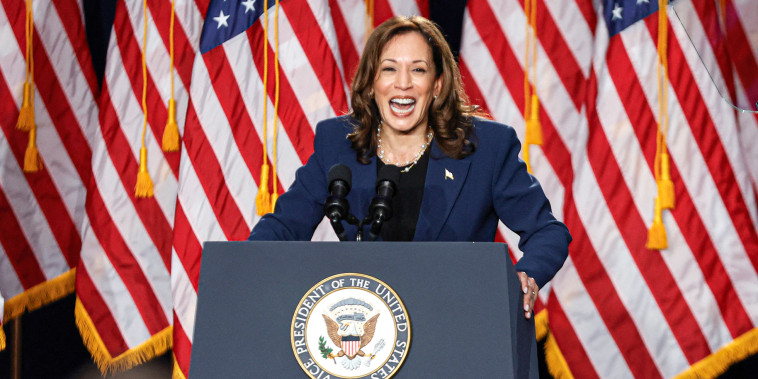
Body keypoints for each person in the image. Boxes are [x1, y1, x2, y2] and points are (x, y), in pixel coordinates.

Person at [248, 16, 571, 319]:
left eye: (418, 70)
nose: (402, 84)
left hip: (457, 320)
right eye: (389, 69)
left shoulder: (487, 147)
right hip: (365, 327)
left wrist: (526, 277)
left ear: (438, 85)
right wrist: (239, 269)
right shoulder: (338, 143)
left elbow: (547, 232)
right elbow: (284, 228)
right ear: (372, 82)